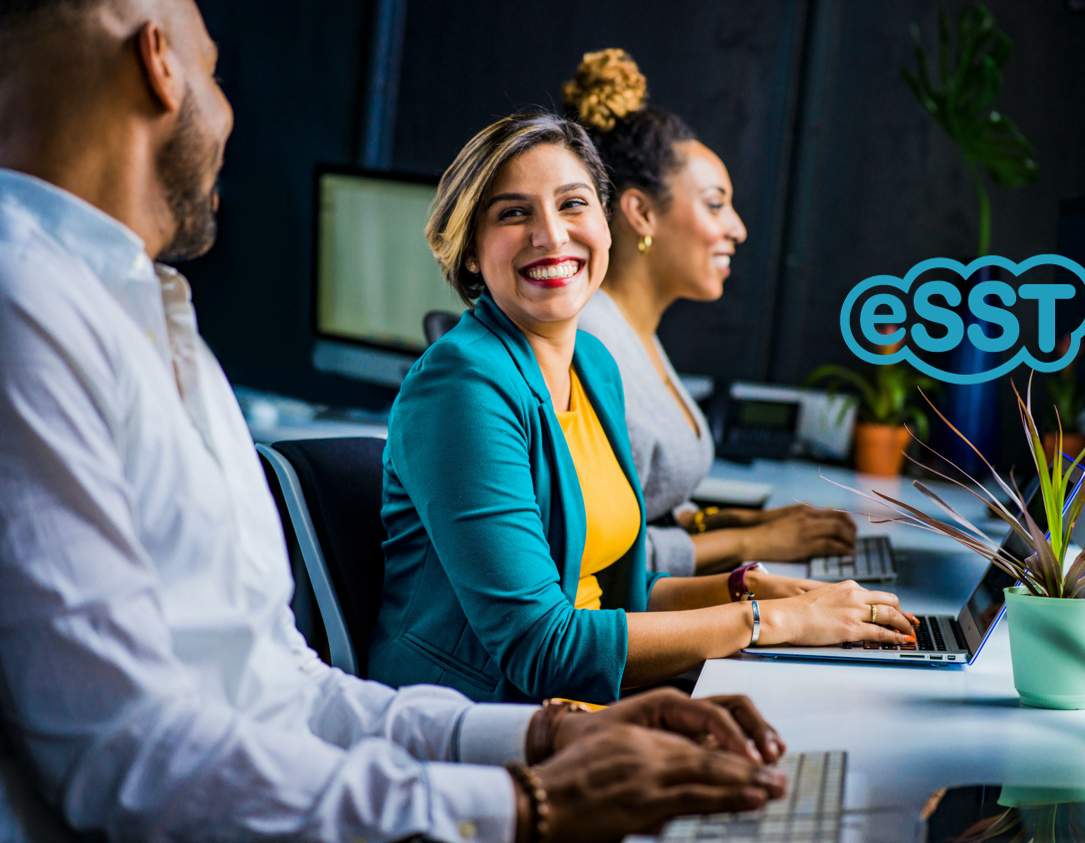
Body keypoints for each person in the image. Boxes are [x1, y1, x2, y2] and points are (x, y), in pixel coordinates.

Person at [0, 2, 792, 841]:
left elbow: (282, 690)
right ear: (160, 65)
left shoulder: (146, 311)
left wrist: (550, 737)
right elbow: (131, 760)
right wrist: (528, 801)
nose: (227, 112)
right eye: (215, 71)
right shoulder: (28, 307)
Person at [370, 110, 917, 705]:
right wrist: (770, 622)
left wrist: (755, 591)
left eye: (573, 204)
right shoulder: (461, 388)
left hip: (584, 704)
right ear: (472, 252)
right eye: (513, 213)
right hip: (477, 722)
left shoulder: (594, 365)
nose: (551, 235)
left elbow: (617, 595)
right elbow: (541, 646)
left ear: (606, 224)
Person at [567, 48, 861, 578]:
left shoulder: (635, 334)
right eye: (714, 203)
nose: (737, 228)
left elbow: (646, 509)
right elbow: (598, 558)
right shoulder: (591, 344)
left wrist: (741, 522)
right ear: (641, 211)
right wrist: (752, 540)